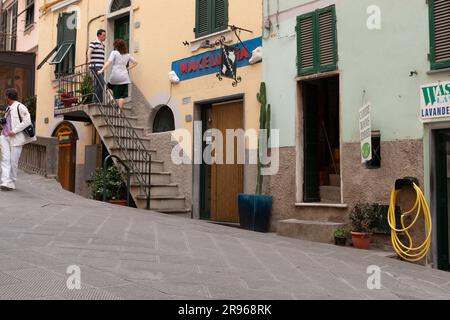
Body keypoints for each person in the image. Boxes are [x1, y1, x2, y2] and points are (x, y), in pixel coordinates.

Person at [0, 88, 37, 191]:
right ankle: (5, 182)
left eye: (5, 96)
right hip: (5, 136)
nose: (4, 97)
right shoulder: (8, 108)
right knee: (5, 159)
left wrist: (14, 131)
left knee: (13, 161)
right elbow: (8, 121)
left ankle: (11, 182)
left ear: (8, 96)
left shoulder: (20, 107)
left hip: (15, 138)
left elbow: (27, 121)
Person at [98, 39, 138, 112]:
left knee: (108, 88)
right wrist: (128, 68)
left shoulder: (114, 53)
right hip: (124, 77)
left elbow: (108, 62)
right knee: (122, 95)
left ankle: (111, 98)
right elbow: (136, 62)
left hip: (115, 75)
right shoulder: (128, 55)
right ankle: (119, 111)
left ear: (116, 46)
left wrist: (102, 70)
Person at [87, 29, 107, 103]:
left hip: (101, 67)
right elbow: (89, 52)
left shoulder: (103, 45)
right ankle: (96, 100)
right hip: (95, 66)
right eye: (103, 35)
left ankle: (99, 101)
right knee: (101, 83)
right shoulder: (94, 43)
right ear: (99, 35)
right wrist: (89, 60)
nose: (105, 37)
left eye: (105, 35)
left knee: (99, 84)